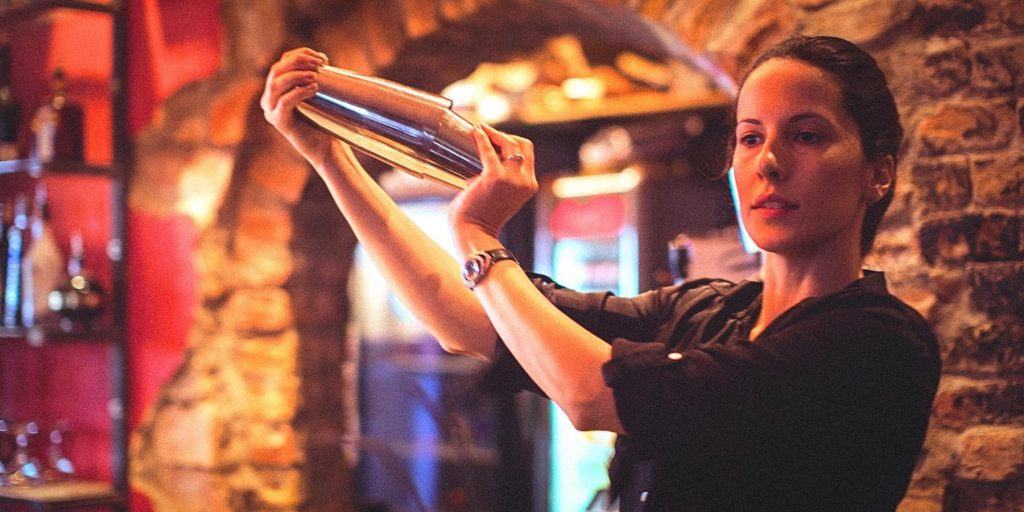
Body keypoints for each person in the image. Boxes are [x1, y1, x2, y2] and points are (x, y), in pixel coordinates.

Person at [262, 35, 940, 512]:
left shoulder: (875, 343)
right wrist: (331, 160)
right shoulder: (706, 312)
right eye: (751, 136)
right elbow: (471, 319)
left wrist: (476, 235)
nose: (768, 162)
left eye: (809, 135)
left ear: (878, 172)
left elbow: (593, 396)